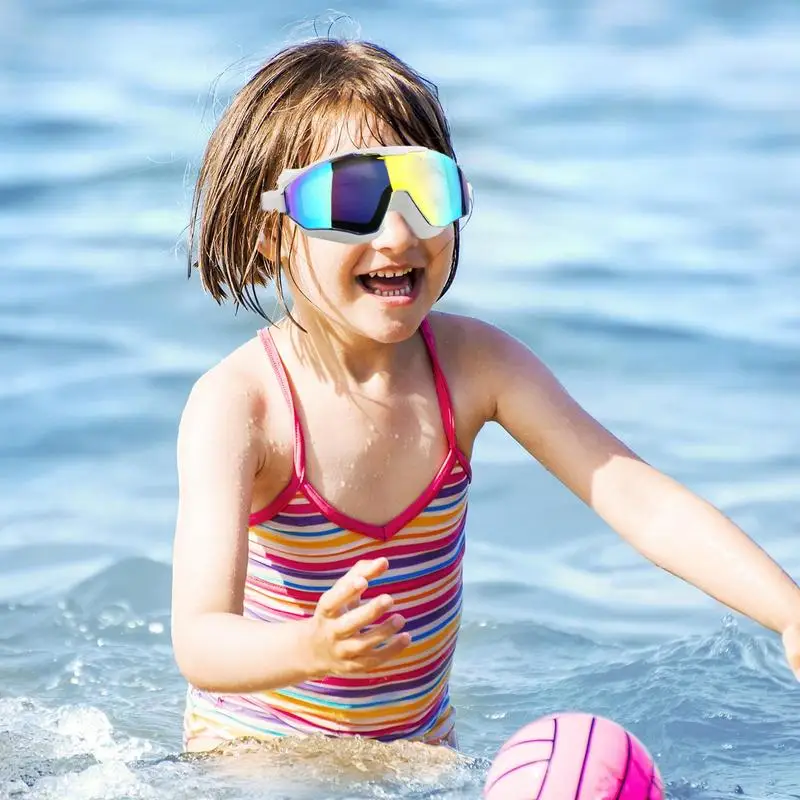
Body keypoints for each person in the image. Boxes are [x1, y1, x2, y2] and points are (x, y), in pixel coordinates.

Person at [170, 38, 800, 754]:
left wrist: (788, 612)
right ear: (268, 232)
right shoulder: (240, 407)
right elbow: (201, 641)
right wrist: (310, 649)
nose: (399, 232)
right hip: (257, 751)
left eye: (426, 191)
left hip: (418, 754)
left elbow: (637, 499)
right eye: (351, 198)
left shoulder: (476, 367)